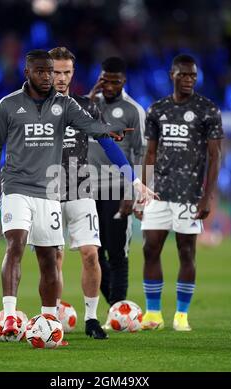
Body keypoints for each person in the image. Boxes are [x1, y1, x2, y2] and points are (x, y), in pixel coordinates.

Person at [0, 49, 137, 339]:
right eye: (49, 71)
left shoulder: (74, 105)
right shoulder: (9, 105)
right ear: (28, 72)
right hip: (28, 186)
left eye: (61, 72)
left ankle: (66, 320)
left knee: (70, 256)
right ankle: (15, 315)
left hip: (69, 189)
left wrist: (119, 151)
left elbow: (97, 131)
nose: (54, 77)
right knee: (21, 246)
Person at [48, 47, 153, 339]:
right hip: (48, 188)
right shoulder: (31, 107)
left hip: (83, 186)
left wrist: (136, 182)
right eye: (55, 71)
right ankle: (47, 315)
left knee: (92, 253)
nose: (61, 77)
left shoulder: (86, 106)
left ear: (73, 73)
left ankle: (92, 319)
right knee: (53, 258)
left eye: (66, 72)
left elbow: (111, 145)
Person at [135, 54, 223, 331]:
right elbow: (149, 153)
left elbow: (215, 155)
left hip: (189, 195)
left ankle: (181, 315)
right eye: (183, 75)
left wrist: (207, 195)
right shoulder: (157, 110)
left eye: (192, 76)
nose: (188, 80)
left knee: (186, 251)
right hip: (158, 192)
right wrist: (143, 189)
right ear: (172, 75)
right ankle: (153, 314)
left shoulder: (207, 110)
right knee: (150, 249)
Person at [88, 57, 146, 328]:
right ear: (100, 78)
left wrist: (133, 193)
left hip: (117, 189)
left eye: (116, 81)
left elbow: (142, 153)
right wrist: (91, 95)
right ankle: (118, 310)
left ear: (124, 81)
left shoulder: (134, 110)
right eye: (105, 80)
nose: (110, 86)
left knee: (117, 253)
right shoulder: (90, 105)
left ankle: (117, 308)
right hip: (85, 188)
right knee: (93, 253)